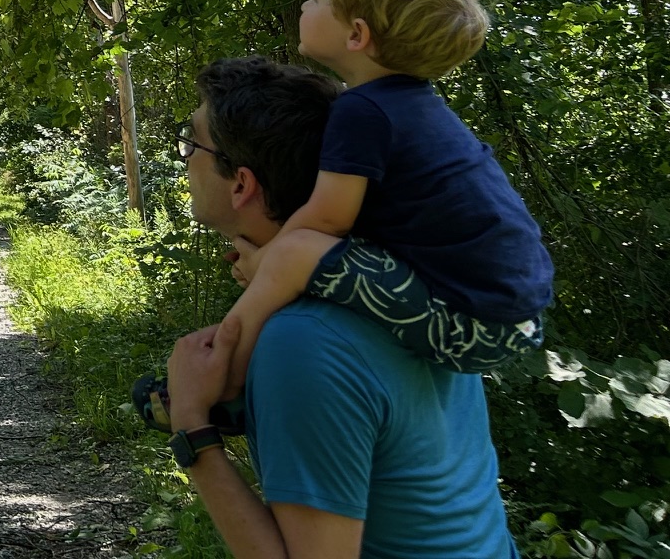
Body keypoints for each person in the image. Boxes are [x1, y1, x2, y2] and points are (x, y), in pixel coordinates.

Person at [166, 57, 519, 557]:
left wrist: (191, 425)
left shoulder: (303, 341)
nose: (184, 157)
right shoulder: (410, 284)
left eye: (191, 141)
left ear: (242, 184)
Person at [216, 0, 552, 394]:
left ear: (357, 34)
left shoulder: (364, 111)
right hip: (506, 315)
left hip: (476, 321)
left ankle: (219, 377)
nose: (304, 7)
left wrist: (266, 264)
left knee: (294, 253)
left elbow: (327, 222)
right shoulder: (407, 107)